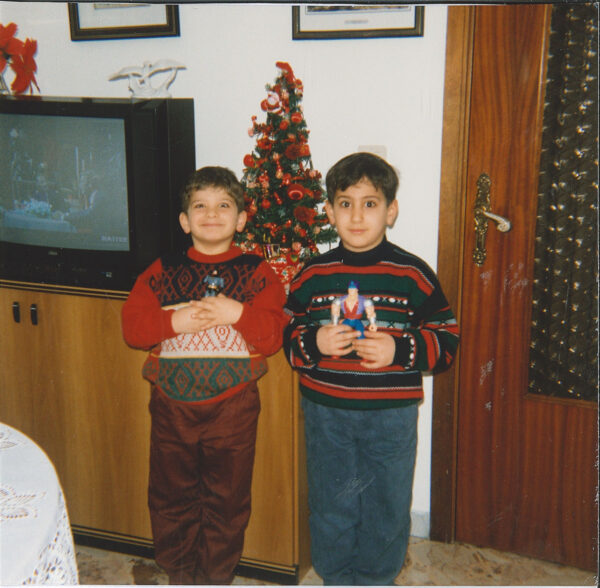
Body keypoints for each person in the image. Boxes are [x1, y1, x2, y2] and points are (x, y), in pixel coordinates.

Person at [283, 152, 459, 585]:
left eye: (370, 203)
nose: (357, 216)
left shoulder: (413, 274)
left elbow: (447, 339)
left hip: (391, 417)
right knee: (332, 502)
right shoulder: (312, 274)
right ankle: (336, 577)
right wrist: (314, 342)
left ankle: (376, 579)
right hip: (326, 414)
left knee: (387, 504)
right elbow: (286, 334)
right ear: (329, 212)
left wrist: (400, 349)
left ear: (391, 211)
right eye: (345, 203)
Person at [121, 166, 288, 585]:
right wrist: (173, 322)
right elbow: (132, 329)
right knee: (170, 495)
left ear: (241, 219)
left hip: (234, 407)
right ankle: (179, 574)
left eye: (223, 205)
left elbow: (273, 337)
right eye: (200, 206)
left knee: (227, 499)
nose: (211, 214)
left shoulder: (257, 272)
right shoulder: (162, 269)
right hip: (171, 406)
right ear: (185, 221)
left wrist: (238, 313)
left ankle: (215, 577)